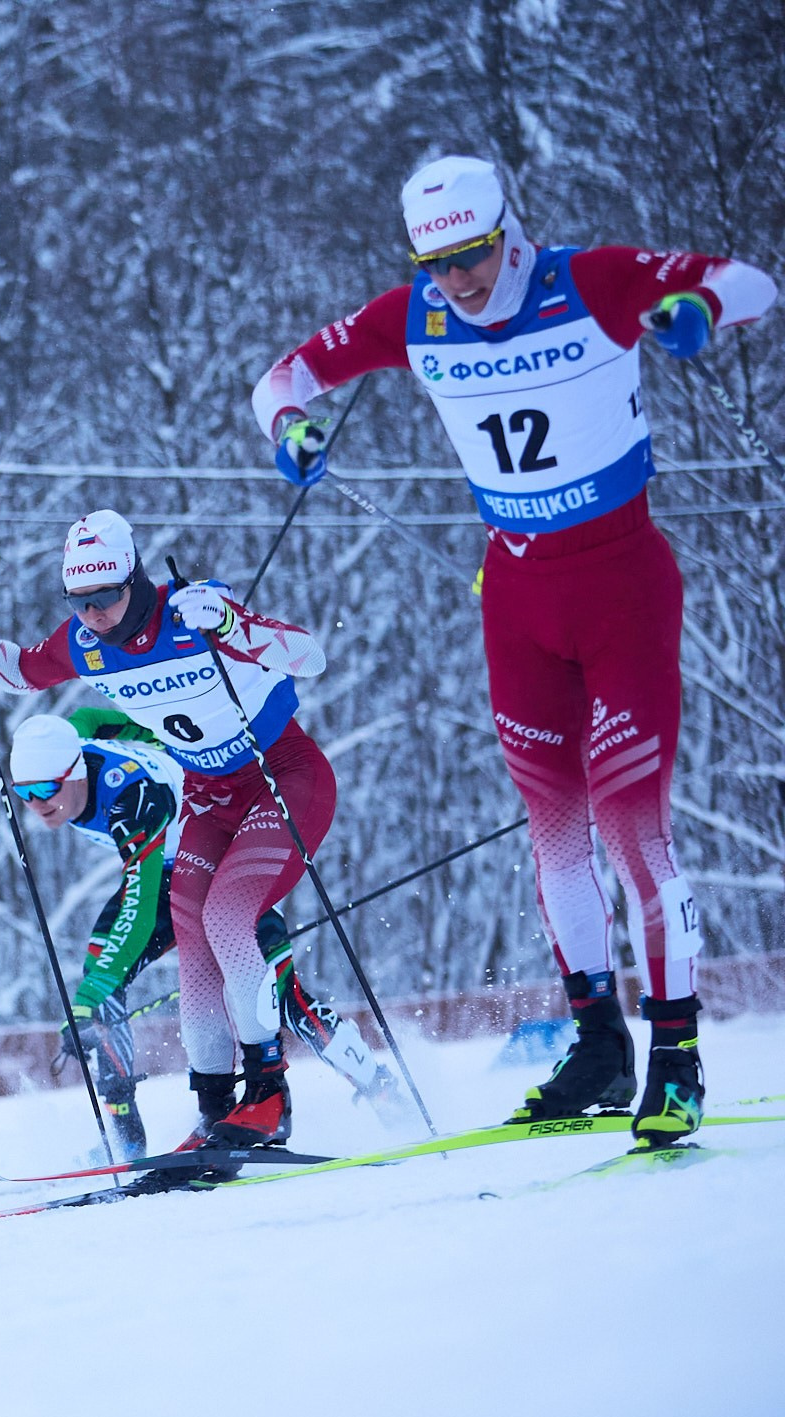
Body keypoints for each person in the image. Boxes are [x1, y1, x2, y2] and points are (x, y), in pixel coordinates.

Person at [249, 154, 775, 1145]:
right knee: (554, 835)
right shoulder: (415, 315)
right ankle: (596, 1045)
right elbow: (281, 377)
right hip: (517, 597)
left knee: (631, 831)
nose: (458, 282)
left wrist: (696, 310)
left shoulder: (592, 280)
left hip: (619, 582)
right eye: (436, 264)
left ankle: (674, 1058)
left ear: (509, 232)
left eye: (474, 257)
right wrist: (291, 427)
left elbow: (751, 283)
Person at [0, 509, 333, 1150]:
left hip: (282, 775)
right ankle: (215, 1108)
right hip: (208, 796)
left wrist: (232, 624)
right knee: (195, 943)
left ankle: (270, 1096)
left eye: (108, 598)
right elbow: (17, 671)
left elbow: (308, 655)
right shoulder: (83, 642)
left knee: (230, 918)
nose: (95, 614)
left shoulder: (193, 610)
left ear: (137, 581)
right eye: (80, 602)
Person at [7, 708, 398, 1161]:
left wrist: (89, 997)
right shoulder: (61, 743)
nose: (36, 803)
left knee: (276, 991)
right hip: (163, 868)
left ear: (74, 771)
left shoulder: (133, 799)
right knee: (100, 977)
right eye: (24, 793)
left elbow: (137, 909)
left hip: (216, 855)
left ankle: (380, 1089)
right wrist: (158, 738)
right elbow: (89, 717)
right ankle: (127, 1139)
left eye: (46, 789)